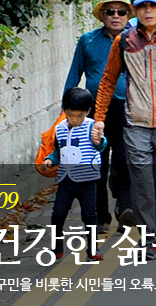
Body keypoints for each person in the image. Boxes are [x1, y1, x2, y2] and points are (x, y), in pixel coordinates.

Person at [93, 0, 156, 261]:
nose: (148, 10)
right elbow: (107, 81)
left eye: (152, 5)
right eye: (142, 6)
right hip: (136, 123)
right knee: (141, 181)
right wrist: (99, 119)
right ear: (134, 10)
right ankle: (150, 237)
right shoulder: (124, 41)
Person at [64, 0, 133, 233]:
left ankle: (126, 210)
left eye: (121, 12)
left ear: (128, 15)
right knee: (96, 165)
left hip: (128, 109)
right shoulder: (88, 41)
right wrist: (68, 113)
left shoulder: (134, 41)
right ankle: (99, 218)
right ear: (102, 15)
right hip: (94, 112)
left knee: (125, 162)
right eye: (110, 11)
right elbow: (74, 76)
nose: (116, 16)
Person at [44, 87, 107, 261]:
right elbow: (58, 150)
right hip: (66, 180)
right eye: (71, 115)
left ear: (87, 111)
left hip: (88, 180)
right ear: (65, 111)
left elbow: (101, 145)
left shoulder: (91, 127)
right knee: (58, 213)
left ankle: (93, 249)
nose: (75, 119)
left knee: (89, 216)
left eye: (80, 115)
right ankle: (57, 246)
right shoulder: (60, 129)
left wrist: (99, 140)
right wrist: (50, 159)